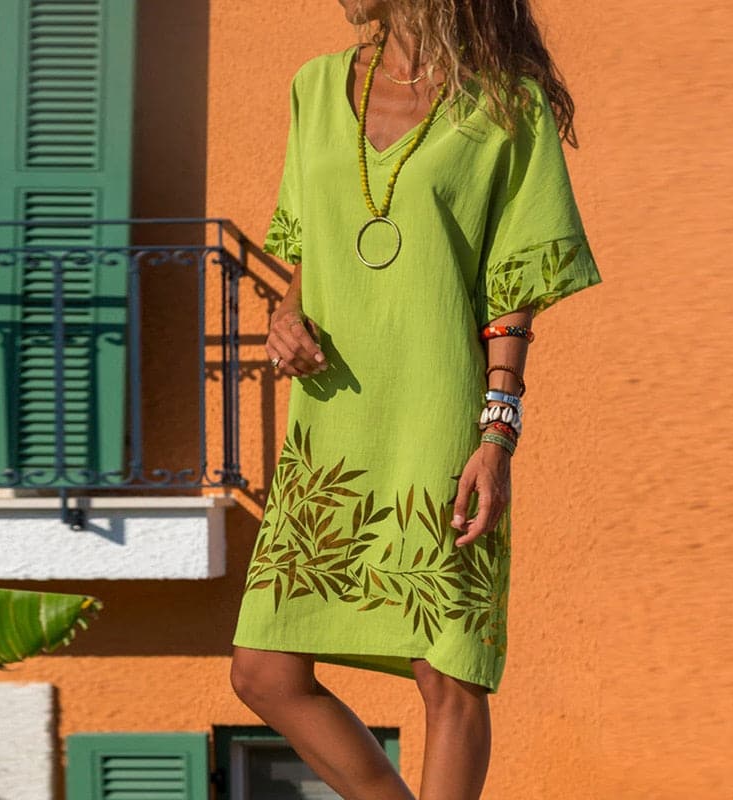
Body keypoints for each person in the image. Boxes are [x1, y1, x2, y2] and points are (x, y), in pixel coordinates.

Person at [230, 1, 602, 798]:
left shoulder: (507, 107)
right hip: (332, 420)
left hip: (439, 414)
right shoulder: (316, 87)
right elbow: (308, 246)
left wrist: (497, 438)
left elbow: (513, 289)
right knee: (263, 671)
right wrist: (285, 316)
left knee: (447, 672)